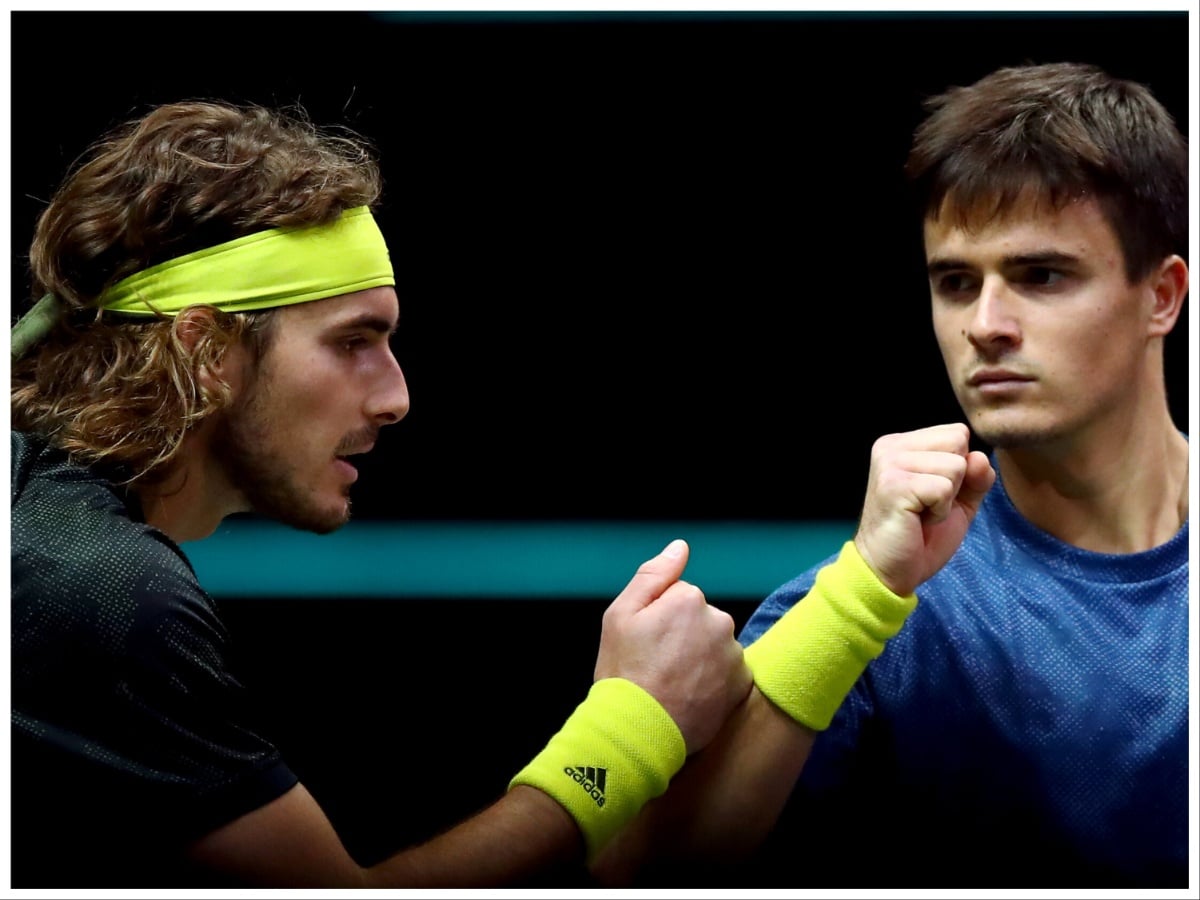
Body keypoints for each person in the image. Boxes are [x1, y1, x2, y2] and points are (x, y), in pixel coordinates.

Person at [9, 98, 951, 888]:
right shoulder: (95, 590)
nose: (396, 395)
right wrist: (629, 726)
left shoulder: (46, 531)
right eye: (352, 341)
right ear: (206, 351)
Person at [697, 61, 1188, 888]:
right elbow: (668, 869)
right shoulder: (864, 609)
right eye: (957, 283)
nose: (986, 327)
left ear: (1161, 297)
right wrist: (859, 600)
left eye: (1040, 276)